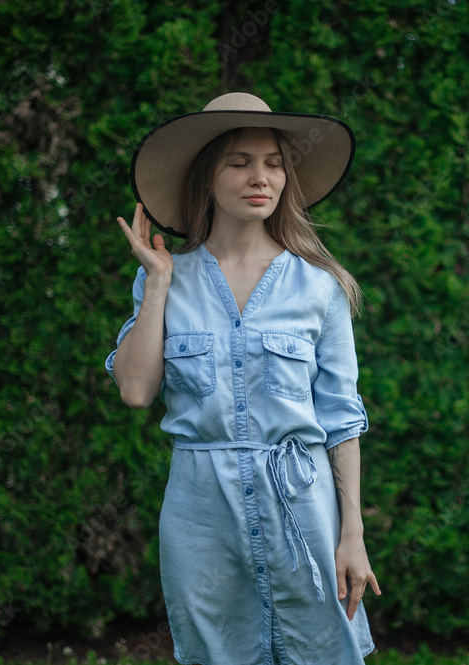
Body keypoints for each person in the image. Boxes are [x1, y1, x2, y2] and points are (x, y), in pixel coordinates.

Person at [105, 92, 381, 665]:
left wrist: (351, 535)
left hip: (303, 508)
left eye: (274, 162)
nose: (261, 176)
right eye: (239, 161)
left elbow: (341, 419)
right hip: (200, 515)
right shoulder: (165, 280)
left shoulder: (319, 288)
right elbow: (134, 391)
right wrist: (156, 284)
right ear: (207, 176)